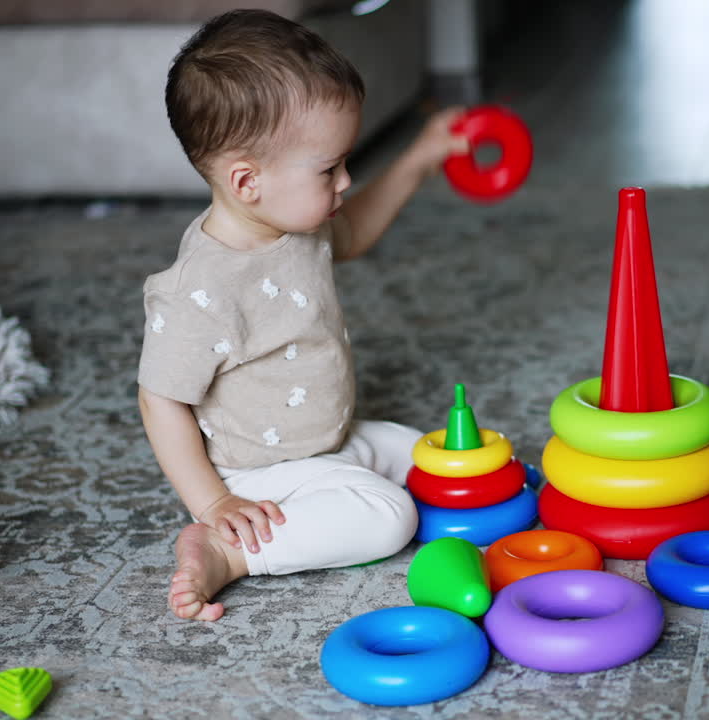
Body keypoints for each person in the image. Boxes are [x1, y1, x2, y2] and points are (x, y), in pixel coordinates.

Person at [137, 9, 469, 622]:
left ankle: (346, 484)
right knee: (389, 516)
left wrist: (420, 158)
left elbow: (358, 231)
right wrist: (212, 503)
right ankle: (231, 555)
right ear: (247, 181)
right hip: (258, 476)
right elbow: (160, 400)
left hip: (329, 440)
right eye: (328, 169)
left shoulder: (297, 221)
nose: (345, 181)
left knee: (431, 452)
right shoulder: (197, 289)